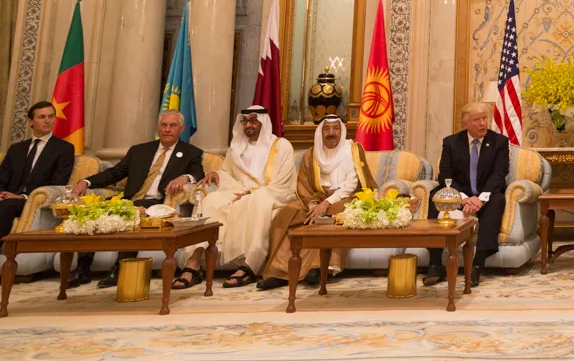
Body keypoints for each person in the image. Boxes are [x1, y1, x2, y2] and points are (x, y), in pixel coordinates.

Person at [68, 110, 205, 288]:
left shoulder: (190, 152)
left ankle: (120, 268)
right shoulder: (140, 150)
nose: (167, 129)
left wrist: (185, 177)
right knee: (90, 213)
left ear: (182, 128)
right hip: (129, 199)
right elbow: (115, 173)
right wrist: (86, 182)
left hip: (156, 202)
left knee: (132, 213)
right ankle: (82, 269)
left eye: (172, 126)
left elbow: (198, 174)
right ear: (158, 127)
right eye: (163, 125)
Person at [175, 106, 296, 290]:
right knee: (211, 202)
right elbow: (227, 173)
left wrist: (250, 194)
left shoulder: (281, 146)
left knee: (258, 201)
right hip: (238, 191)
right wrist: (217, 174)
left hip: (270, 193)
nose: (248, 125)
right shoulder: (235, 148)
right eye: (245, 121)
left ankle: (250, 266)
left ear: (263, 122)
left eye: (253, 120)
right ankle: (193, 264)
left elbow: (284, 181)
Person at [256, 115, 379, 290]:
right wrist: (312, 205)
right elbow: (304, 184)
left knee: (333, 216)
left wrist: (326, 203)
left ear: (342, 131)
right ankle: (279, 271)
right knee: (286, 214)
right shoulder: (312, 154)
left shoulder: (352, 150)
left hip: (344, 197)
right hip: (315, 198)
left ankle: (319, 268)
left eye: (335, 128)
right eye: (326, 129)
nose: (331, 133)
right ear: (320, 132)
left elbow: (350, 185)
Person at [423, 102, 509, 287]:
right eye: (476, 120)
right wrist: (463, 199)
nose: (482, 123)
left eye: (484, 118)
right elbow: (445, 175)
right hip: (460, 193)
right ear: (465, 124)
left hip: (487, 193)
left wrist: (480, 198)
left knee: (498, 200)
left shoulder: (499, 142)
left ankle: (477, 264)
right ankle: (435, 264)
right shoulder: (451, 143)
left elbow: (499, 174)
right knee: (435, 196)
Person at [0, 101, 73, 241]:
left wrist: (22, 197)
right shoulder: (16, 149)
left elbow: (58, 182)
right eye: (42, 117)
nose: (48, 121)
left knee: (6, 206)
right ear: (30, 121)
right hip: (7, 197)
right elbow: (2, 176)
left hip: (31, 200)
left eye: (51, 116)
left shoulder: (64, 148)